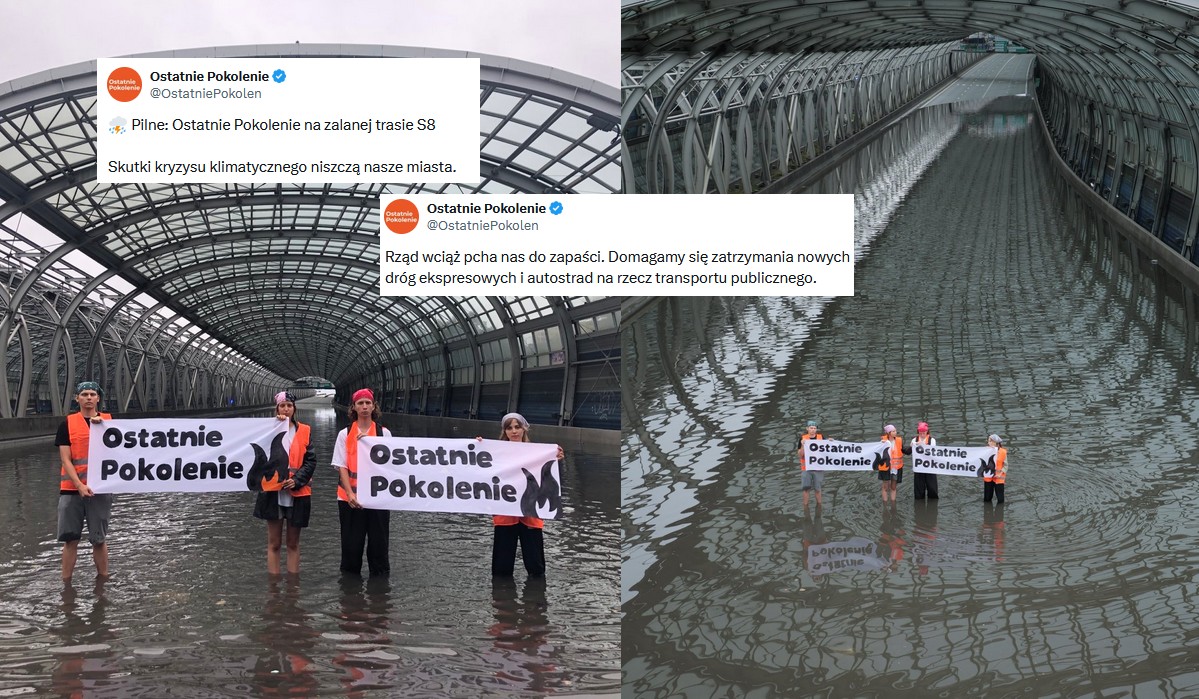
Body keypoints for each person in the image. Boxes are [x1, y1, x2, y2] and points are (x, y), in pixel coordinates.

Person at [487, 413, 564, 578]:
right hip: (505, 512)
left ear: (524, 428)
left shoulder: (537, 452)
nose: (514, 431)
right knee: (502, 565)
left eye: (517, 427)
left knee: (535, 564)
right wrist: (477, 445)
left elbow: (547, 476)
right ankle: (504, 597)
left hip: (531, 512)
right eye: (509, 428)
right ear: (504, 431)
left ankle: (535, 599)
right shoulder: (494, 452)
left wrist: (555, 458)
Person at [54, 381, 113, 581]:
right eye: (84, 394)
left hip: (100, 489)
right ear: (77, 398)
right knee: (70, 539)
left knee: (99, 539)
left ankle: (103, 579)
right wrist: (79, 485)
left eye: (92, 394)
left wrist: (104, 427)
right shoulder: (67, 424)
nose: (88, 398)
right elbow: (65, 459)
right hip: (72, 489)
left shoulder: (110, 422)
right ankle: (66, 581)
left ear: (98, 398)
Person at [253, 391, 316, 575]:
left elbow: (311, 460)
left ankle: (292, 587)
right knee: (274, 543)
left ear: (294, 408)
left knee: (293, 543)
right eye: (283, 405)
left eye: (289, 405)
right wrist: (275, 425)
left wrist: (297, 480)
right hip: (273, 493)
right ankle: (274, 586)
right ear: (277, 408)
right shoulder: (268, 430)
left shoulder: (304, 430)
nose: (286, 409)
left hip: (298, 492)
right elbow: (258, 457)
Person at [332, 388, 392, 577]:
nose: (364, 407)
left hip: (378, 499)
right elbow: (341, 466)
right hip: (350, 499)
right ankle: (350, 584)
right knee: (351, 545)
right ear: (354, 408)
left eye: (368, 403)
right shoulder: (345, 434)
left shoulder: (384, 434)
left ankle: (379, 584)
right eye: (360, 403)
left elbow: (392, 466)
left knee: (379, 545)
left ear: (374, 406)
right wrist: (350, 494)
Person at [796, 419, 826, 508]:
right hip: (806, 468)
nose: (813, 430)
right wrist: (802, 445)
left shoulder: (821, 437)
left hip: (818, 467)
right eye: (811, 428)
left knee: (818, 489)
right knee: (806, 489)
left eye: (814, 428)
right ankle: (805, 507)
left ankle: (819, 507)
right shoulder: (803, 438)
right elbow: (800, 455)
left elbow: (829, 450)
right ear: (807, 429)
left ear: (816, 429)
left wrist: (831, 442)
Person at [910, 421, 939, 500]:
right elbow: (910, 451)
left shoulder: (932, 440)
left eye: (924, 432)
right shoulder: (914, 440)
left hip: (930, 467)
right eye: (920, 432)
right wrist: (912, 446)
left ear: (927, 431)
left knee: (932, 488)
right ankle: (919, 502)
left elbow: (933, 451)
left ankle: (932, 506)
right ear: (918, 432)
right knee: (919, 491)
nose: (922, 434)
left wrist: (922, 445)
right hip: (919, 468)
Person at [879, 424, 903, 504]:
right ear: (889, 433)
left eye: (895, 431)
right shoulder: (883, 442)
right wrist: (881, 445)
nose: (895, 432)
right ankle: (885, 504)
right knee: (885, 487)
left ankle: (893, 504)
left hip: (895, 467)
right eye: (893, 431)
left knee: (893, 487)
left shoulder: (899, 440)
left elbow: (904, 450)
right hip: (885, 467)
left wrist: (913, 447)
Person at [983, 433, 1008, 504]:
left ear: (995, 443)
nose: (988, 443)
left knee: (1000, 499)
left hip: (999, 477)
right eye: (988, 441)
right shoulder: (985, 451)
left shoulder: (1003, 452)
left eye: (990, 441)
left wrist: (1000, 473)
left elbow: (1006, 466)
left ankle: (999, 513)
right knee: (987, 499)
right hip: (988, 477)